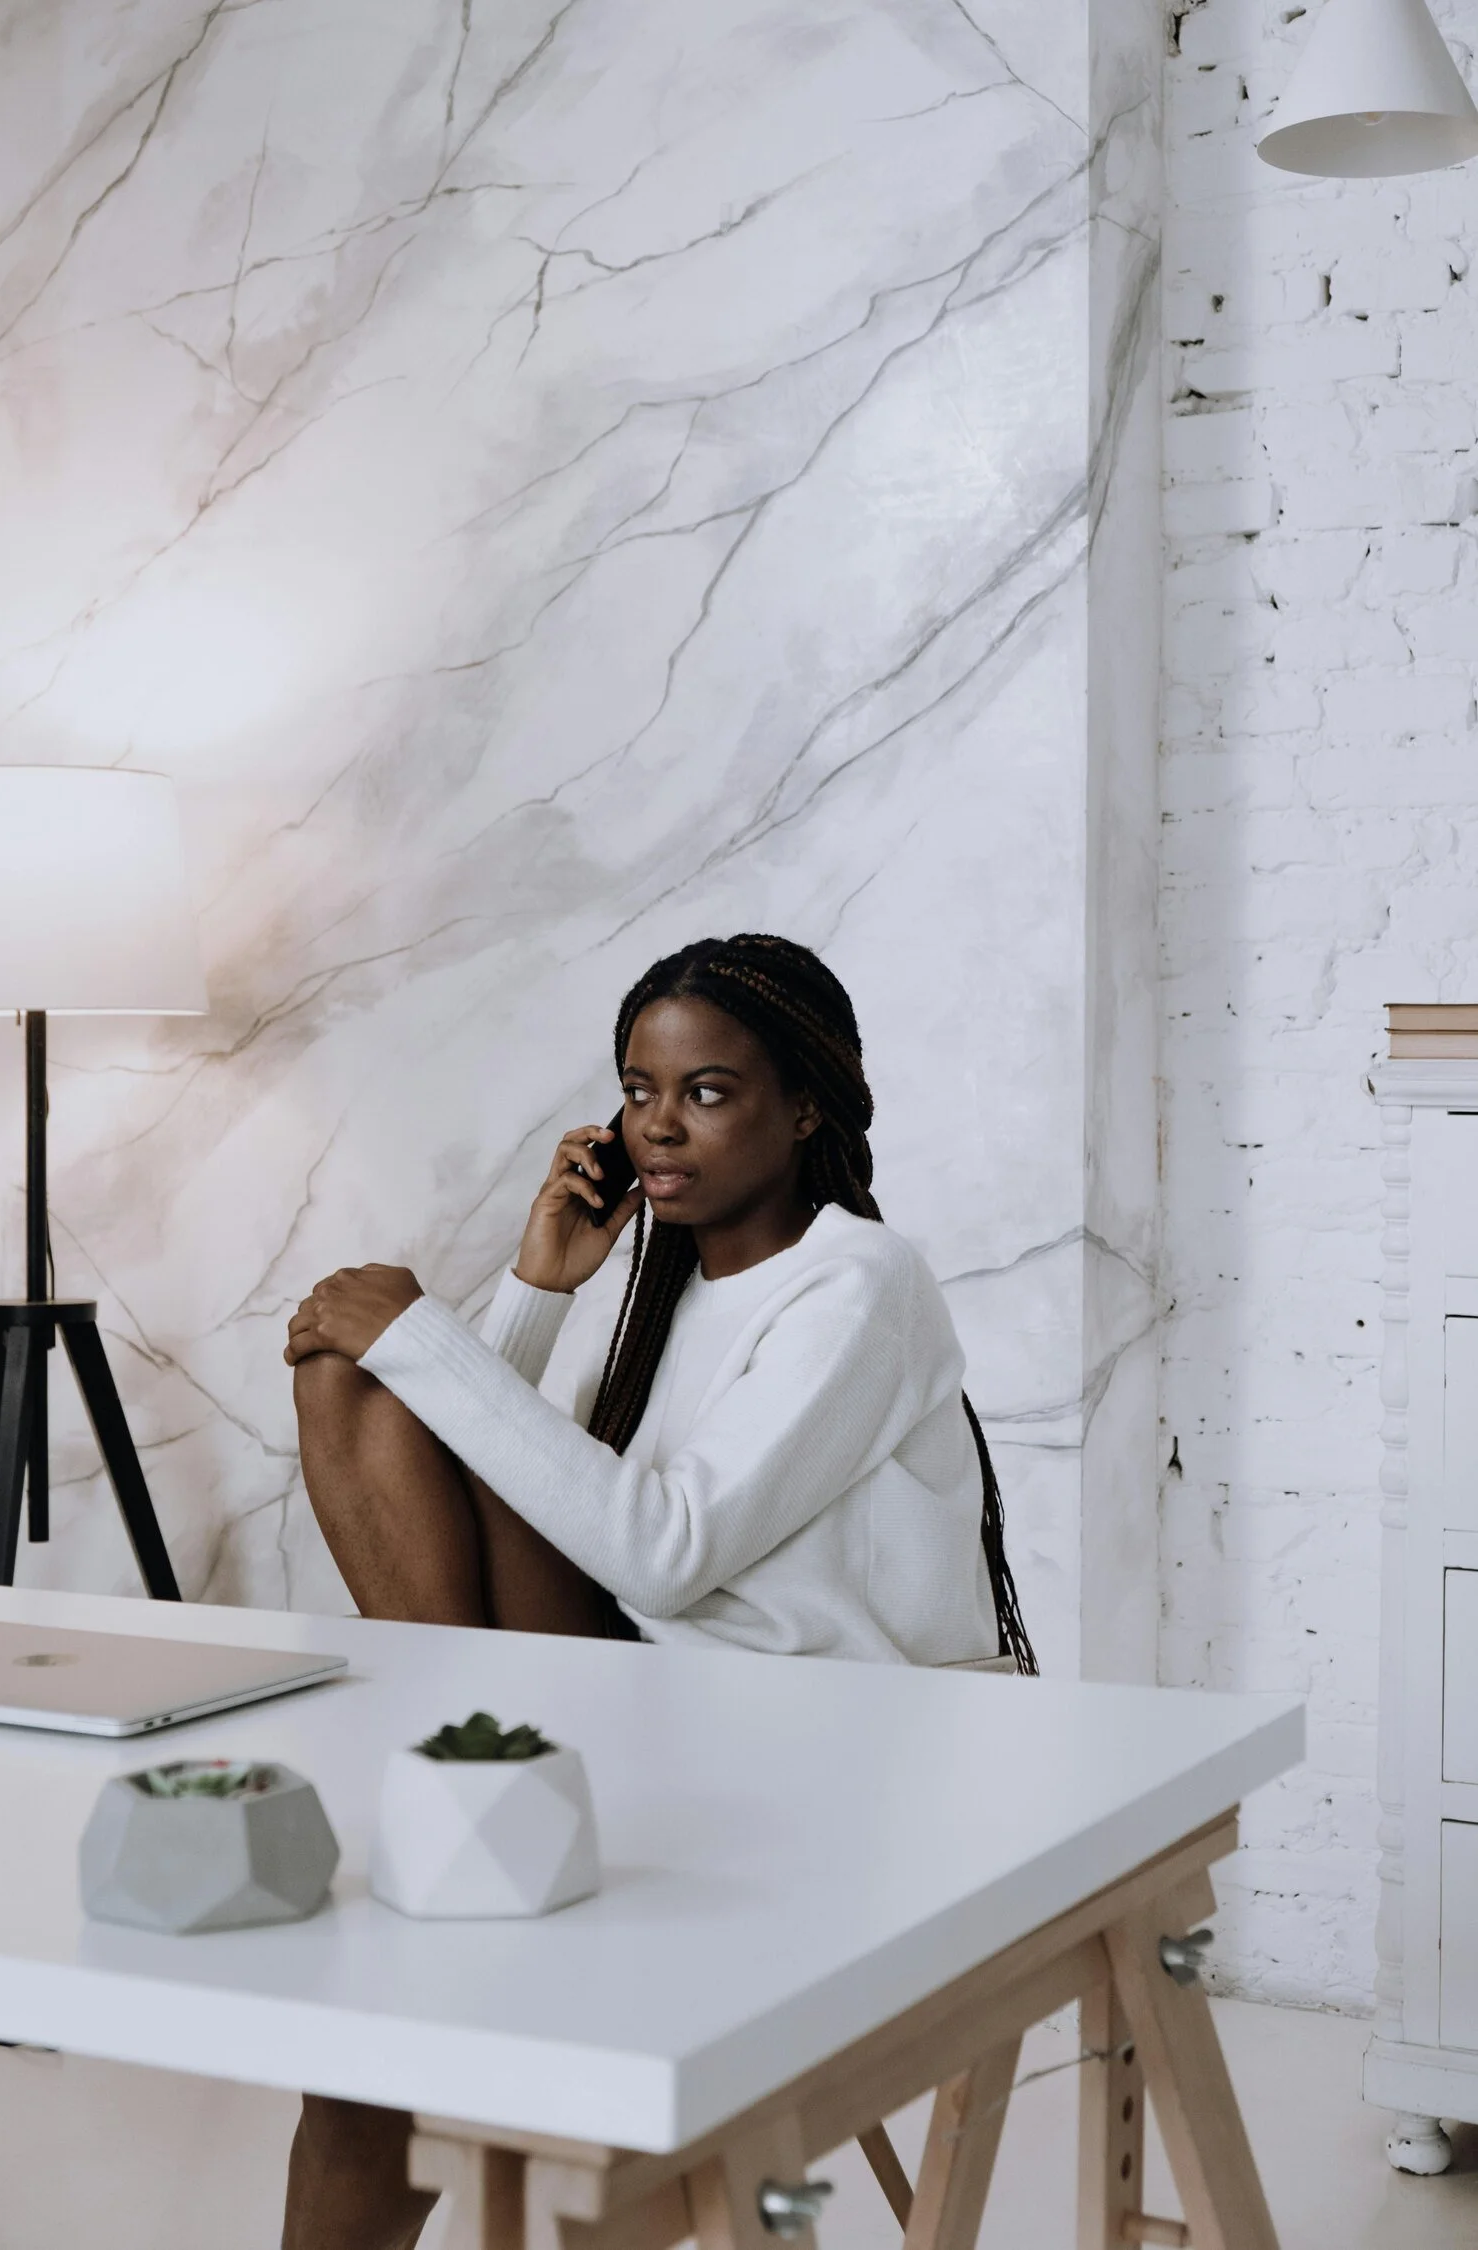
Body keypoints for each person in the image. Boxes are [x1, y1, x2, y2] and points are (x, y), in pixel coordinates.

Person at [279, 932, 1035, 2250]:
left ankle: (477, 1791)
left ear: (805, 1106)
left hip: (828, 1767)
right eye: (639, 1090)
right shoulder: (672, 1291)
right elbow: (480, 1475)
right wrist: (535, 1285)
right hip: (661, 1717)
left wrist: (422, 1334)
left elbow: (667, 1551)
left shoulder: (860, 1281)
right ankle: (486, 1789)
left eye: (707, 1090)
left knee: (382, 1346)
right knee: (349, 1373)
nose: (660, 1126)